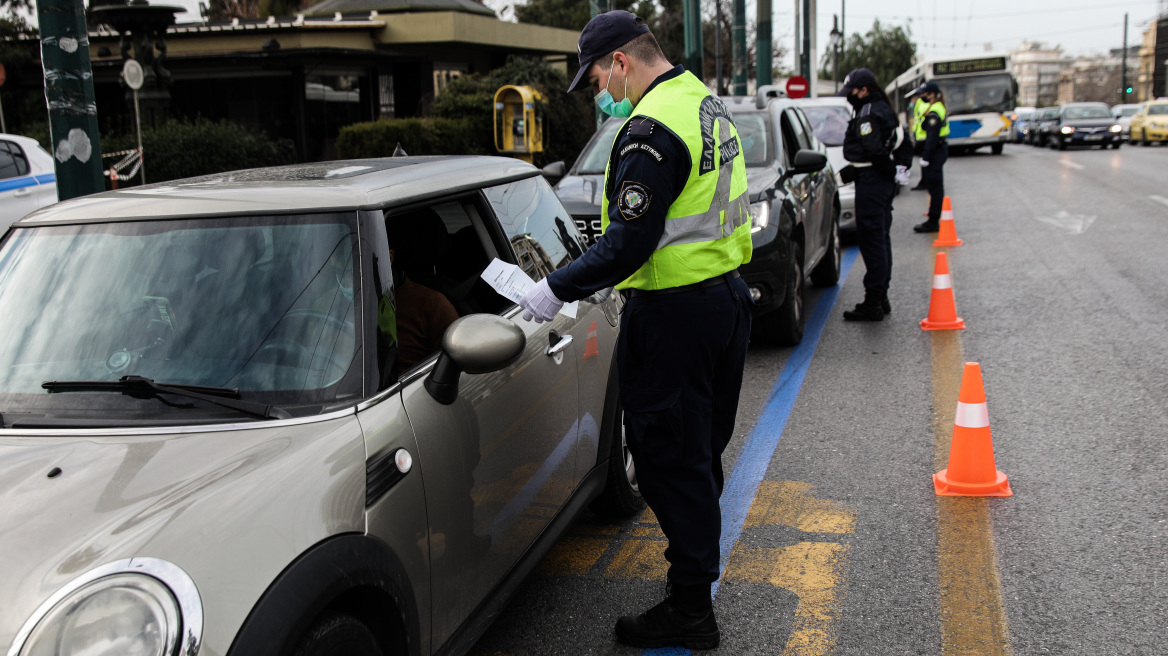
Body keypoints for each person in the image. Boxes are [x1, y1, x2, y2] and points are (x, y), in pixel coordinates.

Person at [516, 10, 753, 650]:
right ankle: (693, 580)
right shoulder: (702, 101)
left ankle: (691, 607)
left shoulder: (651, 129)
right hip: (724, 301)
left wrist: (551, 288)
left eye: (596, 75)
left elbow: (627, 244)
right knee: (697, 453)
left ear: (620, 60)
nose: (599, 91)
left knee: (668, 459)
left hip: (676, 314)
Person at [839, 68, 899, 321]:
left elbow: (874, 150)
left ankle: (873, 301)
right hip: (877, 180)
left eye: (851, 92)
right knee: (881, 239)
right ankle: (880, 295)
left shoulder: (867, 114)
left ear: (864, 90)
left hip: (873, 183)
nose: (849, 97)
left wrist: (880, 171)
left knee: (873, 241)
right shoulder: (880, 108)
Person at [912, 81, 950, 233]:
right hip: (936, 150)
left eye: (925, 93)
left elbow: (932, 138)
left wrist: (926, 157)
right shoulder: (934, 107)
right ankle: (933, 218)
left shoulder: (934, 111)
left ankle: (933, 221)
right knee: (933, 186)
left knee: (935, 188)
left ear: (932, 94)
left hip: (935, 151)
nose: (922, 96)